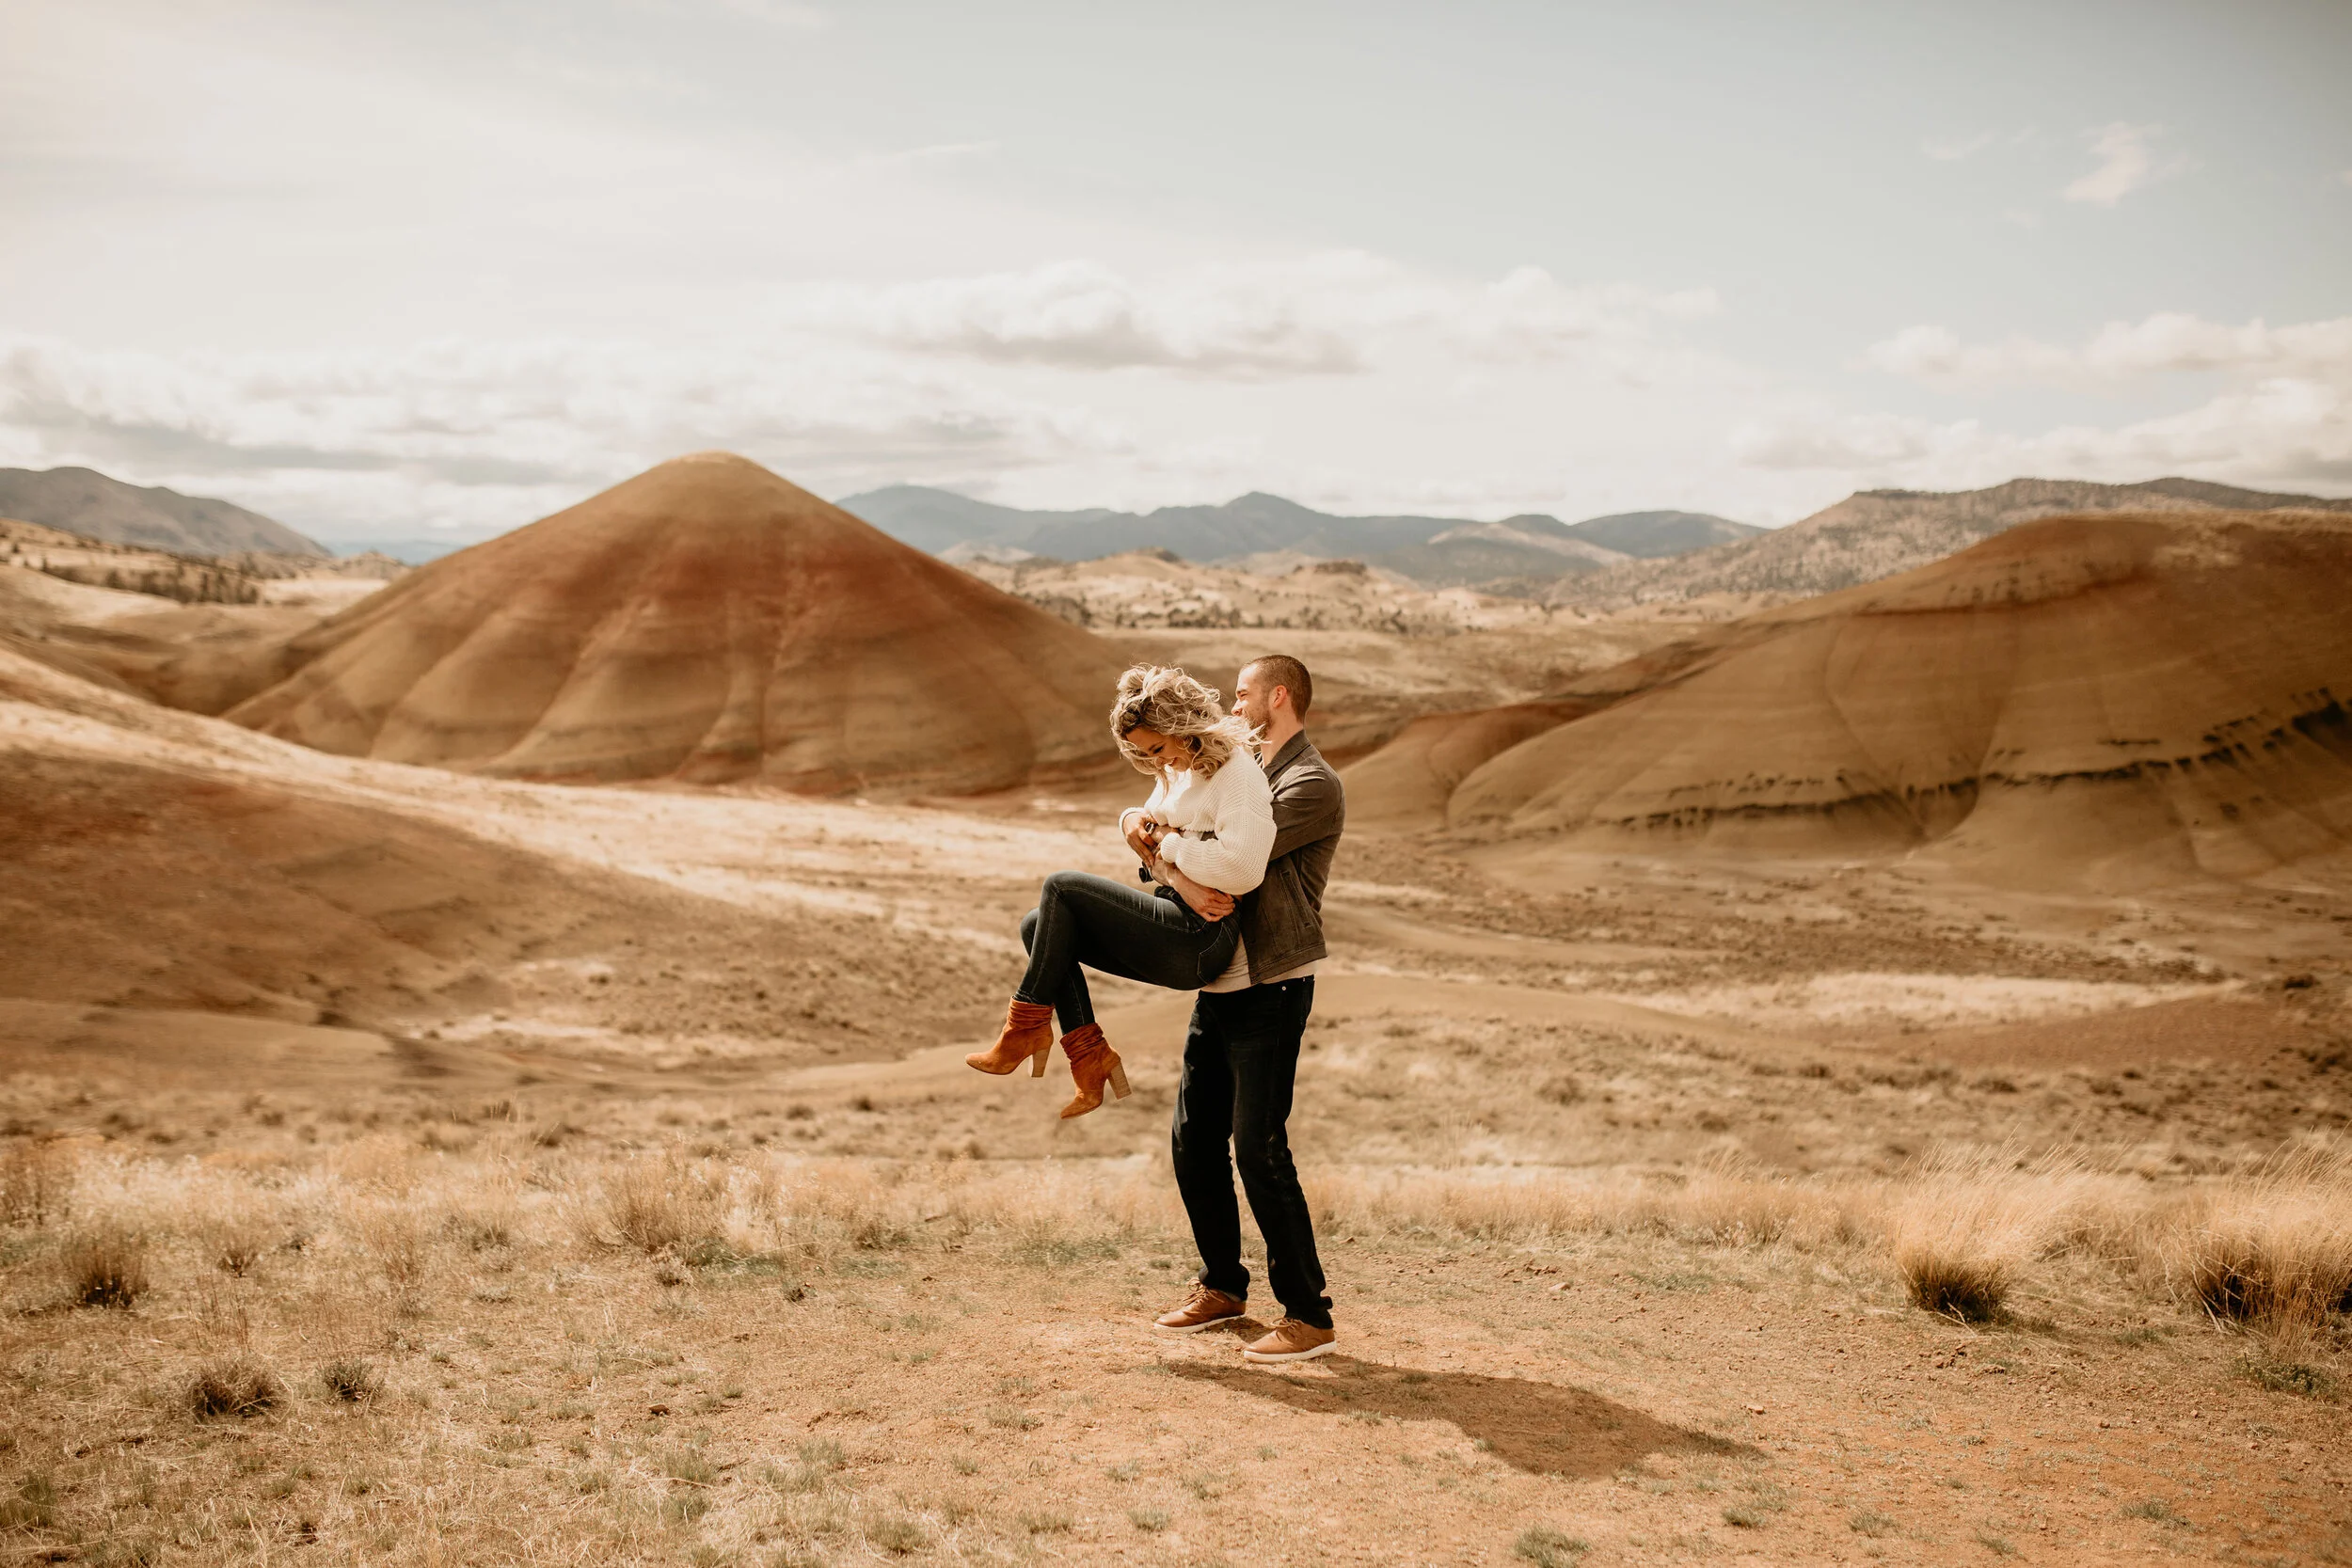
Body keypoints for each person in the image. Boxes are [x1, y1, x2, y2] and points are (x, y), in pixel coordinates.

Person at [966, 664, 1276, 1118]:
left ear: (1181, 725)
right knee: (1038, 926)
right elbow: (1144, 828)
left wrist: (1169, 843)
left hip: (1203, 936)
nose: (1156, 762)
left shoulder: (1238, 776)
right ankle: (1090, 1057)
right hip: (1177, 912)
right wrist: (1136, 825)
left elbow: (1244, 870)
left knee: (1062, 887)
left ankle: (1025, 1027)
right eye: (1143, 754)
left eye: (1157, 747)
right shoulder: (1181, 770)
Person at [1152, 654, 1344, 1364]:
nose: (1231, 707)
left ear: (1279, 697)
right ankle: (1223, 1286)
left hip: (1273, 984)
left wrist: (1167, 843)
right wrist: (1162, 839)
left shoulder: (1308, 783)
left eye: (1242, 694)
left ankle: (1308, 1314)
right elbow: (1183, 838)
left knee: (1258, 1149)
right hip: (1222, 982)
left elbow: (1236, 859)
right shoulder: (1242, 773)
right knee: (1192, 1138)